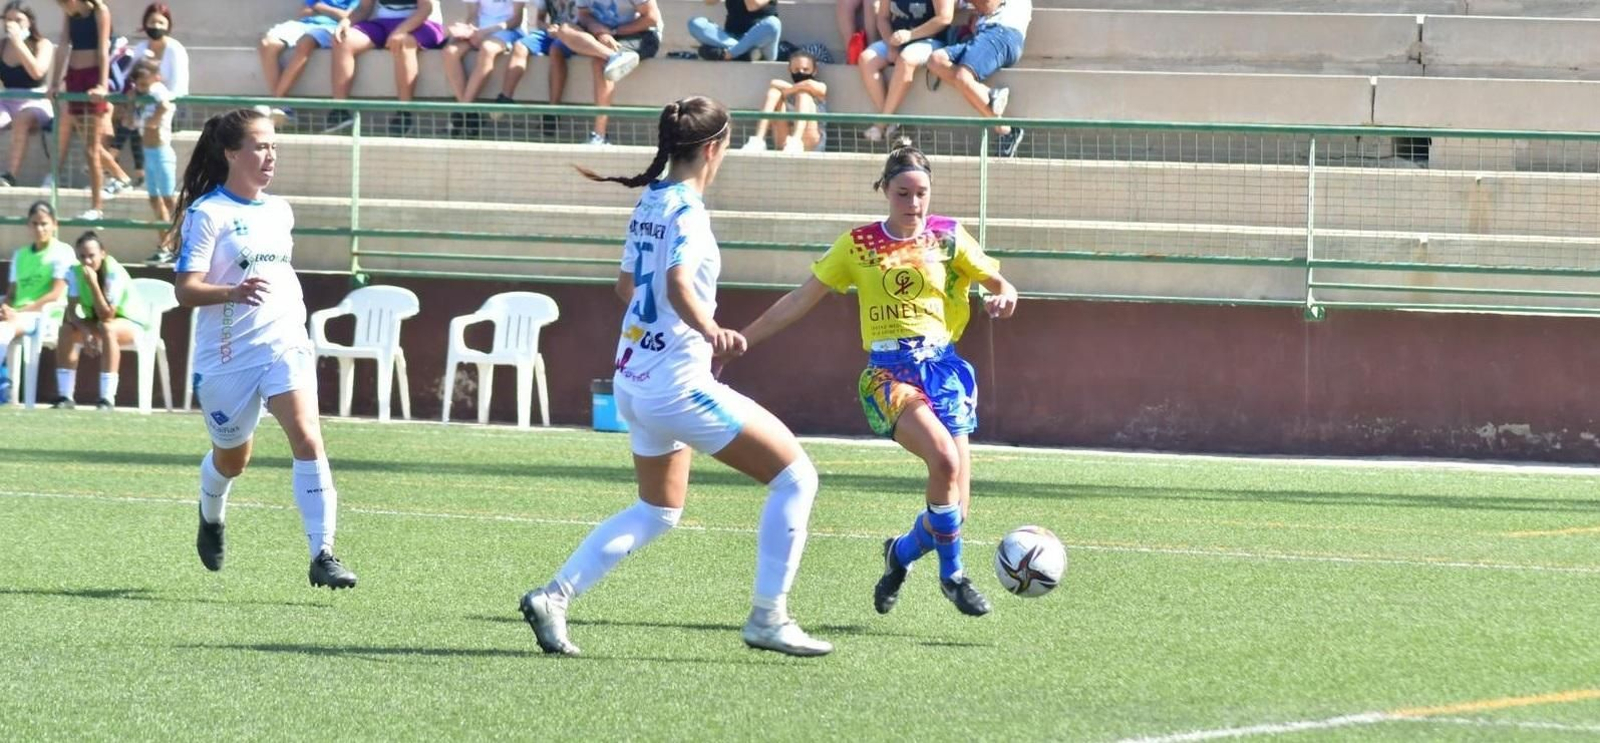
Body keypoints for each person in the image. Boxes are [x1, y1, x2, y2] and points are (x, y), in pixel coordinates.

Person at [518, 96, 830, 658]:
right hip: (676, 386)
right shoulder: (686, 209)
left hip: (634, 381)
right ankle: (768, 617)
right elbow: (679, 283)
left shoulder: (650, 202)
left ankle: (554, 596)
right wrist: (711, 331)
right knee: (796, 478)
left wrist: (675, 325)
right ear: (715, 147)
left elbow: (626, 287)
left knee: (658, 510)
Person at [739, 142, 1019, 618]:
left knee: (953, 511)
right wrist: (743, 339)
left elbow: (998, 282)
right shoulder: (859, 244)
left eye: (921, 194)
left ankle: (899, 555)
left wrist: (1005, 294)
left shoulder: (949, 237)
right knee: (945, 461)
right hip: (889, 374)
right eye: (903, 193)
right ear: (884, 191)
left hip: (944, 372)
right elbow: (800, 299)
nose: (913, 204)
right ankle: (954, 576)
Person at [172, 108, 357, 589]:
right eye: (260, 145)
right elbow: (185, 290)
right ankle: (211, 514)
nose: (270, 155)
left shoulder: (280, 211)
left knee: (308, 437)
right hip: (228, 356)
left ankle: (324, 553)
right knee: (233, 460)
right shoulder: (207, 214)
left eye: (274, 145)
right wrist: (230, 293)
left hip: (284, 341)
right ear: (232, 153)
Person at [50, 230, 150, 411]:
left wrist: (94, 284)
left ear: (103, 253)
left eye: (92, 256)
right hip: (98, 323)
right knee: (66, 330)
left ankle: (107, 398)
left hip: (129, 323)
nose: (87, 261)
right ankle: (65, 396)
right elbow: (71, 312)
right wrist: (86, 331)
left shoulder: (113, 273)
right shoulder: (74, 272)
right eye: (82, 256)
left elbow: (107, 315)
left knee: (107, 328)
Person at [325, 0, 448, 137]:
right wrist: (347, 22)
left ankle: (404, 113)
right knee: (343, 41)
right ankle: (340, 110)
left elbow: (425, 9)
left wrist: (401, 31)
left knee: (402, 43)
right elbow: (364, 8)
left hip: (422, 24)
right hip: (383, 23)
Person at [926, 0, 1028, 157]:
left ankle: (1006, 130)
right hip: (983, 35)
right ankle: (988, 93)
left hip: (1002, 33)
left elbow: (989, 5)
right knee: (936, 60)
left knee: (962, 77)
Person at [559, 0, 661, 145]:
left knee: (600, 63)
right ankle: (612, 56)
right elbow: (584, 15)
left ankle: (600, 135)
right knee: (565, 30)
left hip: (640, 34)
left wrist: (612, 32)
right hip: (602, 34)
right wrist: (599, 30)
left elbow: (651, 18)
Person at [46, 0, 111, 220]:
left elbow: (104, 48)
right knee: (86, 143)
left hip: (92, 77)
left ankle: (97, 207)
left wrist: (102, 83)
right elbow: (63, 45)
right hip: (74, 77)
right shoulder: (69, 14)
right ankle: (114, 181)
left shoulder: (99, 11)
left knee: (92, 149)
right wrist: (55, 82)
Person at [857, 0, 952, 143]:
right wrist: (890, 45)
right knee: (866, 59)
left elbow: (944, 18)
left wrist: (911, 35)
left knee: (906, 59)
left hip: (930, 40)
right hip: (896, 39)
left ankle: (881, 123)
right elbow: (883, 18)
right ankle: (893, 121)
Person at [442, 0, 527, 138]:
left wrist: (487, 31)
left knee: (487, 49)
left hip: (507, 31)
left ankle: (461, 111)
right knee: (450, 52)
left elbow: (516, 19)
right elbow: (473, 15)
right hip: (480, 30)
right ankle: (470, 113)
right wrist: (469, 30)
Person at [0, 201, 72, 363]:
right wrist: (5, 307)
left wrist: (20, 312)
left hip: (43, 316)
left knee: (2, 331)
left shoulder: (62, 252)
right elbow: (12, 294)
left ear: (55, 225)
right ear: (28, 225)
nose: (39, 229)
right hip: (17, 314)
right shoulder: (20, 255)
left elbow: (55, 294)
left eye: (44, 224)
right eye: (35, 224)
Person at [260, 0, 361, 107]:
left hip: (331, 28)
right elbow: (304, 12)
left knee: (305, 42)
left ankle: (277, 101)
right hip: (303, 24)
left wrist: (319, 7)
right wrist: (333, 12)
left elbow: (348, 16)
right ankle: (281, 106)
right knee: (267, 44)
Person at [491, 0, 568, 135]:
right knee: (520, 46)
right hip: (551, 33)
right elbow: (539, 20)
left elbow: (587, 18)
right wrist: (548, 27)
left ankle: (553, 112)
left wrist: (564, 31)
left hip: (575, 35)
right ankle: (505, 98)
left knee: (555, 51)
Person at [125, 59, 175, 262]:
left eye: (145, 83)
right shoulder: (139, 96)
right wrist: (131, 103)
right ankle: (164, 245)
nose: (142, 88)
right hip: (148, 153)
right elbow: (129, 122)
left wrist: (151, 122)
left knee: (169, 200)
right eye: (139, 84)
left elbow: (163, 107)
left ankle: (179, 243)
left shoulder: (157, 91)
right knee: (155, 200)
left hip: (161, 151)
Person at [0, 2, 53, 187]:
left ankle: (10, 176)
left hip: (35, 101)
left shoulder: (42, 44)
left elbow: (37, 73)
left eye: (18, 20)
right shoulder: (1, 46)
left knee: (22, 120)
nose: (11, 24)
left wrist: (17, 43)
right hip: (7, 100)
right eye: (8, 20)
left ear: (30, 22)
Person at [740, 48, 825, 153]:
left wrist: (790, 90)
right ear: (790, 70)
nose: (801, 72)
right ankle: (758, 140)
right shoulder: (787, 90)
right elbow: (773, 83)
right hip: (784, 141)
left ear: (814, 70)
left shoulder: (820, 87)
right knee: (774, 93)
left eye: (805, 69)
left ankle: (796, 141)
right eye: (796, 69)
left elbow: (809, 85)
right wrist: (792, 90)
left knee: (803, 94)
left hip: (811, 141)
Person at [687, 0, 779, 62]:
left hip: (759, 43)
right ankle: (744, 53)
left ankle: (728, 54)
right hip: (731, 38)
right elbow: (709, 2)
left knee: (773, 23)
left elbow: (752, 6)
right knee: (695, 23)